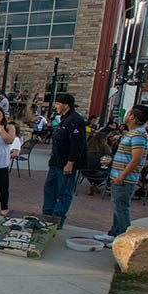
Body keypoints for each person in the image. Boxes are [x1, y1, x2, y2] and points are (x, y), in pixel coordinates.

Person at [94, 105, 148, 244]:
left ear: (132, 116)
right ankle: (114, 233)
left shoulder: (138, 135)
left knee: (121, 209)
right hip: (118, 176)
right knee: (117, 207)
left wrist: (122, 176)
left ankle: (124, 241)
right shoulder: (132, 133)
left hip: (124, 179)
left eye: (128, 112)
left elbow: (136, 159)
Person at [41, 93, 86, 229]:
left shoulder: (75, 120)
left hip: (66, 164)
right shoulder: (63, 120)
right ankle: (47, 215)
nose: (56, 106)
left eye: (58, 104)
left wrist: (70, 162)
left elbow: (77, 144)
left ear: (66, 105)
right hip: (55, 162)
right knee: (50, 189)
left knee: (64, 192)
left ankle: (57, 219)